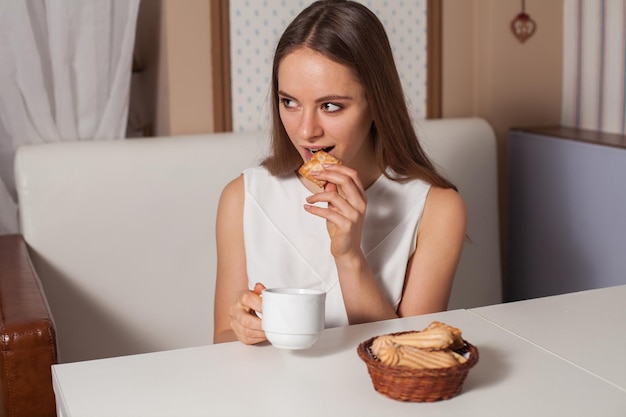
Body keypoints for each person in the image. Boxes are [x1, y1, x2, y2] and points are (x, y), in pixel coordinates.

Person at [213, 0, 466, 345]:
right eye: (289, 102)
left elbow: (411, 355)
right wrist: (243, 331)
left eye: (330, 106)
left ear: (376, 103)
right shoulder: (242, 197)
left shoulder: (438, 209)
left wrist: (349, 256)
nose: (306, 131)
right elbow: (221, 342)